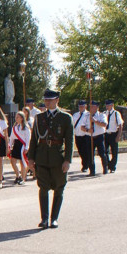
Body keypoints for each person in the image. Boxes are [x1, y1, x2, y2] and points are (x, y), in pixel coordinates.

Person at [28, 89, 74, 229]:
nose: (47, 102)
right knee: (43, 188)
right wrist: (31, 158)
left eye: (50, 99)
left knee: (59, 188)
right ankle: (44, 219)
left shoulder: (66, 118)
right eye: (46, 100)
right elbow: (34, 139)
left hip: (57, 158)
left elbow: (69, 141)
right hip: (42, 158)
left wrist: (67, 160)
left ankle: (54, 218)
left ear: (57, 100)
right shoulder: (40, 118)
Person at [87, 101, 109, 175]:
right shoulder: (87, 116)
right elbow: (82, 126)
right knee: (90, 155)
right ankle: (92, 171)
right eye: (90, 106)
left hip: (99, 136)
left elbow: (104, 124)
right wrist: (87, 130)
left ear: (97, 107)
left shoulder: (101, 115)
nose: (91, 108)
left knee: (102, 153)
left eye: (93, 106)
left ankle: (105, 168)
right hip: (91, 137)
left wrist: (95, 121)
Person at [9, 111, 31, 185]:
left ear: (22, 118)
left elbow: (28, 138)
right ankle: (18, 176)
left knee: (23, 162)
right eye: (16, 117)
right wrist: (9, 145)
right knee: (12, 161)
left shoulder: (26, 127)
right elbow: (12, 138)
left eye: (17, 117)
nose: (16, 118)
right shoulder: (14, 127)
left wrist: (27, 147)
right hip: (16, 144)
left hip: (23, 145)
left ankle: (23, 179)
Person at [72, 100, 91, 172]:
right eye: (80, 106)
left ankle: (85, 166)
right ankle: (85, 163)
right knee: (80, 151)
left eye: (82, 106)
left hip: (85, 135)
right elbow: (73, 124)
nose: (81, 108)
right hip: (77, 135)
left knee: (85, 151)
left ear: (85, 106)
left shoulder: (88, 114)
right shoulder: (75, 115)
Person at [104, 100, 123, 173]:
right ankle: (109, 164)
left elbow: (120, 125)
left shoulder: (116, 113)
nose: (107, 107)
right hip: (106, 134)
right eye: (106, 105)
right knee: (104, 152)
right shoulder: (104, 113)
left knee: (114, 151)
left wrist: (118, 136)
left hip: (113, 134)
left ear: (112, 105)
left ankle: (112, 166)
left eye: (108, 105)